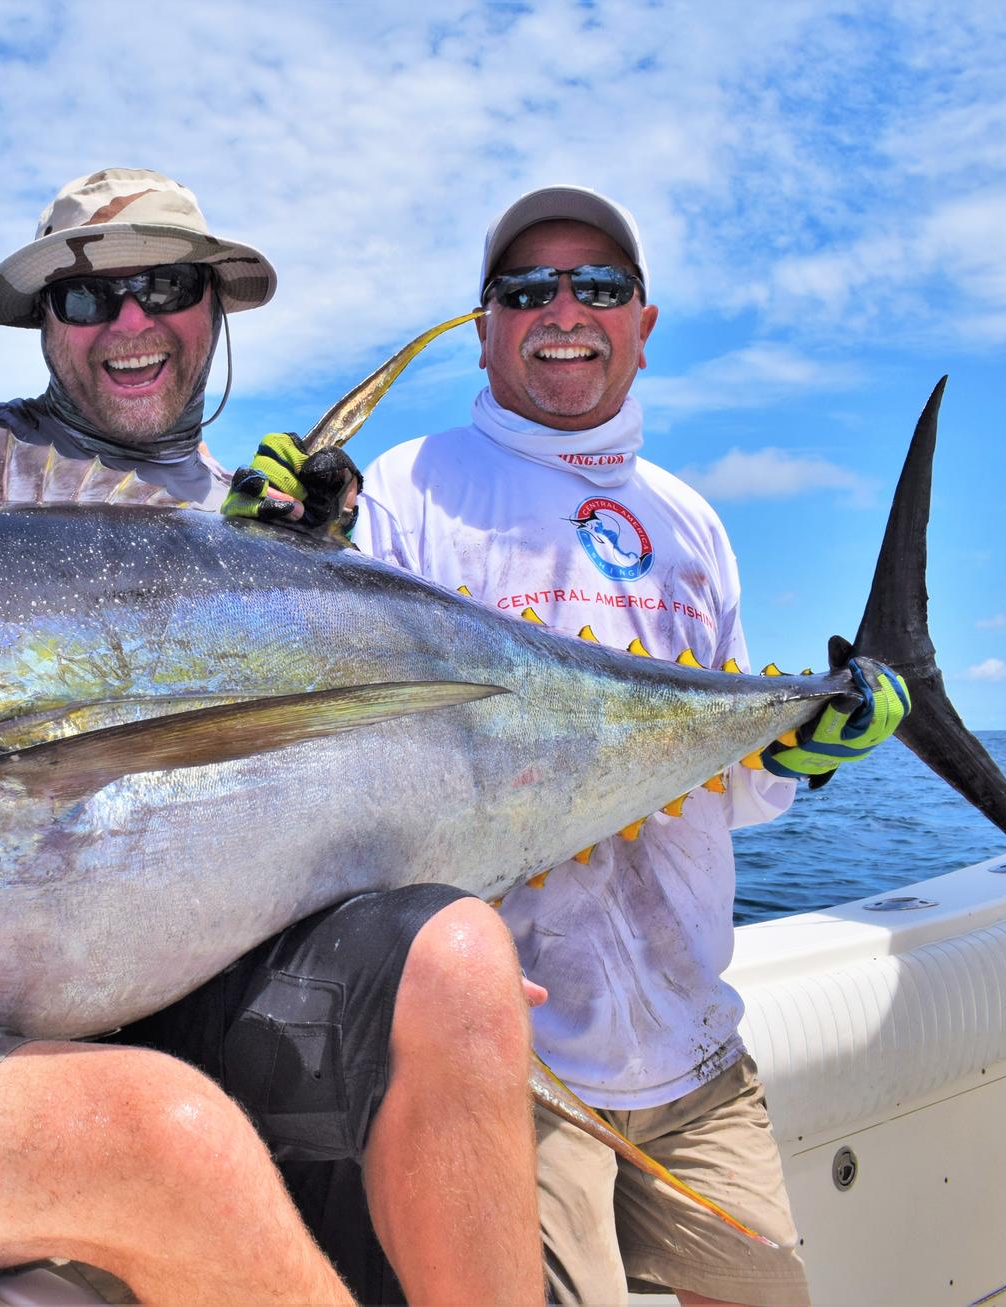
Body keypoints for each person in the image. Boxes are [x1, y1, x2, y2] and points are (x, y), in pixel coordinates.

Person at [0, 167, 541, 1304]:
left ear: (211, 306)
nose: (129, 324)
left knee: (453, 972)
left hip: (237, 970)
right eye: (86, 299)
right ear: (46, 329)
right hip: (47, 1020)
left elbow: (373, 759)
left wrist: (315, 570)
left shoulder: (265, 510)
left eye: (164, 285)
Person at [234, 185, 909, 1307]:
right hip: (513, 1069)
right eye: (526, 287)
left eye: (598, 286)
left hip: (697, 1054)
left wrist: (793, 755)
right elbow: (318, 705)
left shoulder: (694, 522)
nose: (563, 307)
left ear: (644, 323)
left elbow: (722, 790)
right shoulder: (401, 491)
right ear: (486, 324)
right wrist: (293, 552)